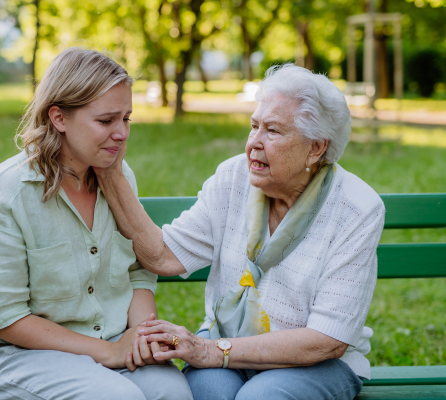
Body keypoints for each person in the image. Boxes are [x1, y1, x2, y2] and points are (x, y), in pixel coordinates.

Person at [94, 64, 385, 400]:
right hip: (223, 339)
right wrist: (111, 172)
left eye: (272, 131)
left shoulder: (356, 208)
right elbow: (164, 255)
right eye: (253, 126)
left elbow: (328, 339)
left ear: (316, 148)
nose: (253, 144)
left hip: (313, 363)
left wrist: (210, 351)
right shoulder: (235, 177)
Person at [0, 48, 193, 400]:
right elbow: (6, 320)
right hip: (13, 353)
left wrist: (142, 335)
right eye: (106, 120)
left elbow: (139, 270)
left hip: (108, 337)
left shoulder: (118, 176)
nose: (122, 133)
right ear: (59, 118)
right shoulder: (10, 192)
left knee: (173, 395)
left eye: (126, 118)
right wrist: (110, 353)